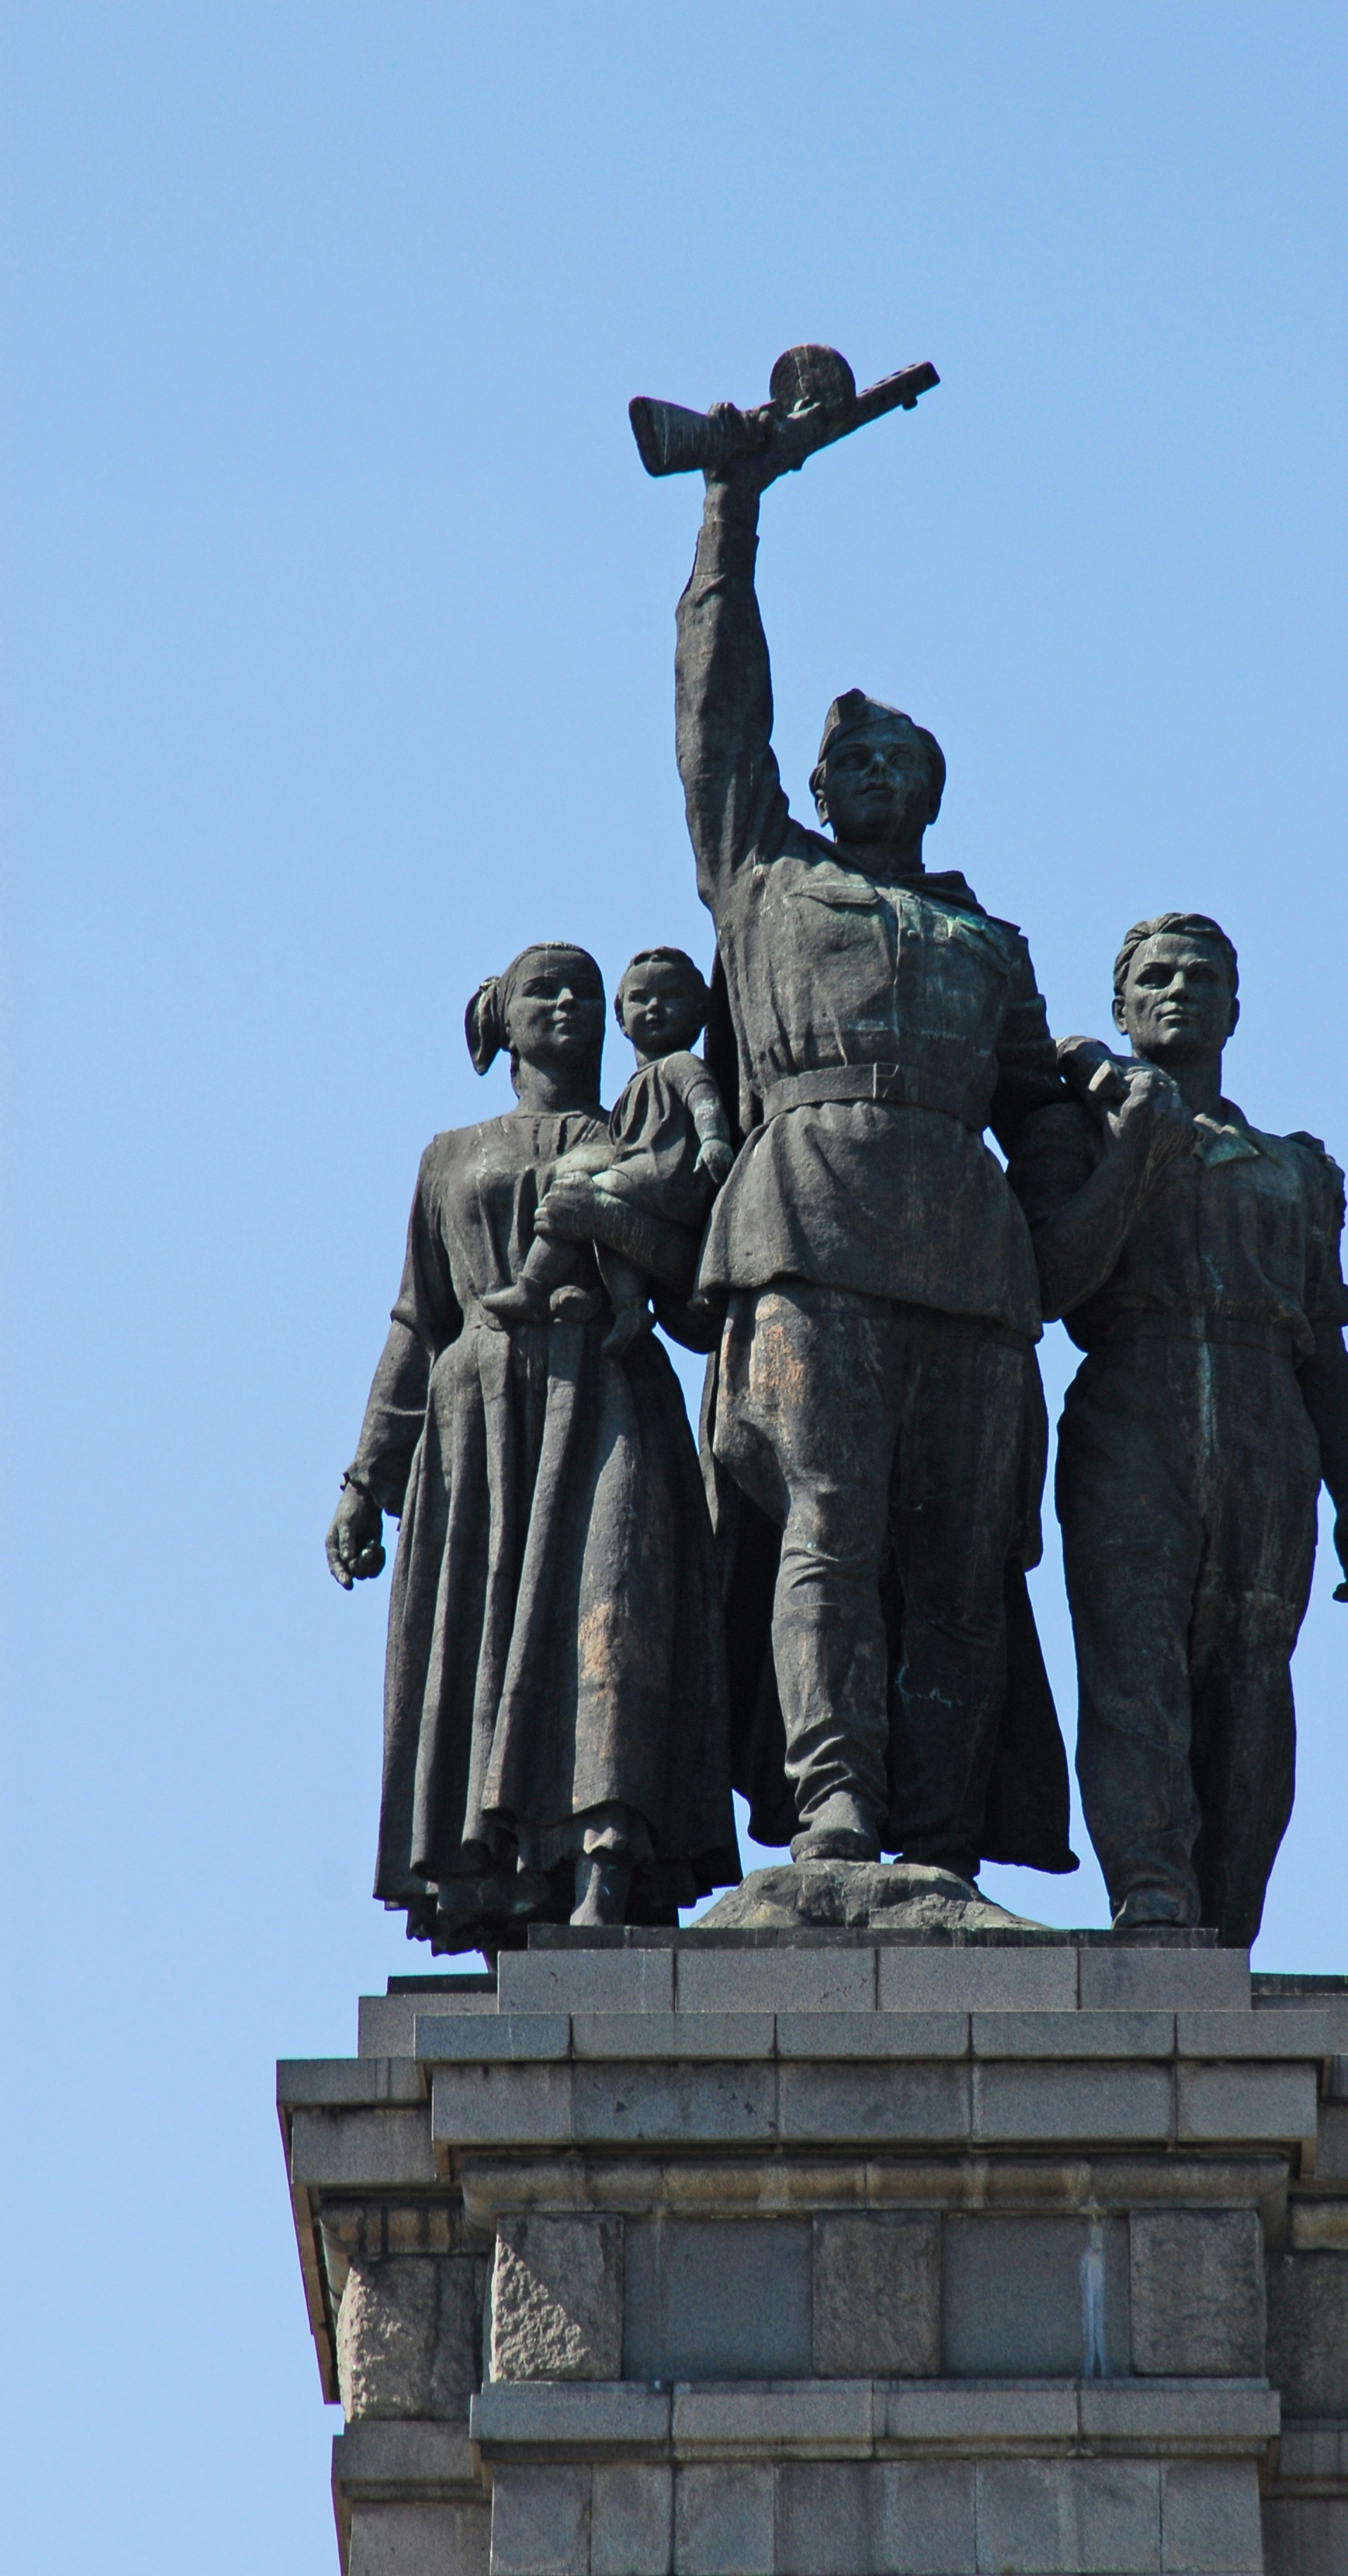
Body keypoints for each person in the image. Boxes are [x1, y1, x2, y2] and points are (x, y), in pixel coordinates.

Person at [666, 401, 1073, 1883]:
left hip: (970, 1253)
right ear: (823, 793)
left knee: (965, 1562)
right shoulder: (765, 878)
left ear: (933, 789)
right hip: (810, 1220)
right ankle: (834, 1800)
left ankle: (943, 1834)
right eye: (858, 764)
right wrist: (733, 514)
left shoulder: (987, 941)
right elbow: (718, 718)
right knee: (826, 1528)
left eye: (904, 759)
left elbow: (1044, 1115)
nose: (876, 776)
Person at [324, 940, 739, 1947]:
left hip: (609, 1392)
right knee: (489, 1632)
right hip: (479, 1417)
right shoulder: (450, 1156)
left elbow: (696, 1290)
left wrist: (612, 1215)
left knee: (617, 1612)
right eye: (542, 988)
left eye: (585, 990)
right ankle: (494, 1880)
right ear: (501, 1018)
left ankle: (607, 1863)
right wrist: (363, 1482)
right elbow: (417, 1323)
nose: (566, 1002)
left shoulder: (641, 1126)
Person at [1012, 913, 1348, 1940]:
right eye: (1156, 975)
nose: (1179, 988)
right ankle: (1151, 1887)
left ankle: (1226, 1921)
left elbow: (1326, 1344)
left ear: (1235, 1006)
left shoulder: (1297, 1169)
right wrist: (1133, 1137)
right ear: (1121, 1007)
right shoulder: (1075, 1129)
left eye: (1202, 975)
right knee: (1134, 1665)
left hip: (1269, 1416)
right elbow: (1055, 1283)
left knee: (1251, 1678)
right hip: (1132, 1398)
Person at [478, 945, 734, 1353]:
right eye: (543, 989)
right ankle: (630, 1308)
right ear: (622, 1019)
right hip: (490, 1361)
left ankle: (532, 1287)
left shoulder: (679, 1066)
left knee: (570, 1199)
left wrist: (715, 1139)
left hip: (658, 1173)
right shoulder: (635, 1092)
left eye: (582, 991)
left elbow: (703, 1098)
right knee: (598, 1228)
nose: (654, 1008)